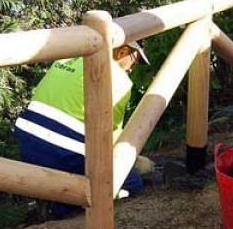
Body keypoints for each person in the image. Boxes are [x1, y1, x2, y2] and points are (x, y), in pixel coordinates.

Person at [14, 41, 152, 218]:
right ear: (122, 51)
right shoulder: (119, 80)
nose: (132, 69)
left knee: (64, 175)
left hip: (27, 141)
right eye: (135, 60)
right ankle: (66, 210)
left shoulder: (67, 59)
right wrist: (131, 162)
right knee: (132, 183)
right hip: (65, 151)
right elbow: (111, 139)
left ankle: (54, 205)